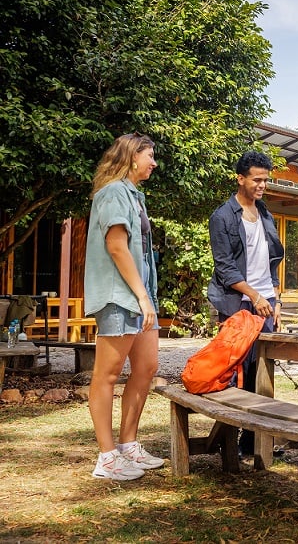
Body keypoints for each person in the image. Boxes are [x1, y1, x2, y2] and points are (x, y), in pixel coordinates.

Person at [84, 132, 164, 480]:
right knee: (108, 375)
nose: (154, 162)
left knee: (146, 368)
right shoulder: (114, 192)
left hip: (140, 295)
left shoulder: (135, 195)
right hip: (120, 295)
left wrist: (147, 295)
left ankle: (128, 445)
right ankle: (106, 456)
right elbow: (116, 246)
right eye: (150, 155)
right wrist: (141, 295)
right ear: (133, 156)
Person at [207, 150, 285, 457]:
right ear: (240, 178)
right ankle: (229, 442)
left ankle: (255, 440)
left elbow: (273, 259)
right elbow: (225, 267)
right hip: (238, 302)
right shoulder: (222, 217)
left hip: (266, 303)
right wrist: (255, 296)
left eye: (266, 180)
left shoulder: (265, 213)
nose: (263, 185)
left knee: (262, 372)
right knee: (237, 371)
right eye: (257, 179)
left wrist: (275, 296)